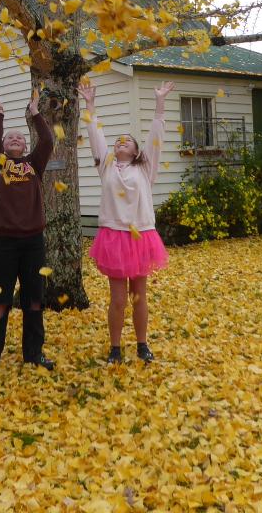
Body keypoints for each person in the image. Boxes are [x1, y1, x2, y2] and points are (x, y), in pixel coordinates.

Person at [78, 79, 174, 364]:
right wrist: (90, 105)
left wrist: (159, 103)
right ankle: (115, 348)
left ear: (135, 151)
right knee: (118, 299)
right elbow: (95, 137)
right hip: (114, 238)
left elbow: (155, 139)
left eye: (127, 141)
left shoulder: (145, 168)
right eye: (118, 140)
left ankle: (143, 344)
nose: (121, 142)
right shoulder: (106, 165)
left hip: (141, 236)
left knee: (139, 295)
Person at [0, 87, 55, 378]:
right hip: (4, 244)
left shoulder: (34, 164)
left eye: (20, 137)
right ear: (5, 146)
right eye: (11, 138)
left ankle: (34, 354)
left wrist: (35, 113)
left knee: (34, 300)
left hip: (34, 243)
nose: (15, 139)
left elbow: (46, 140)